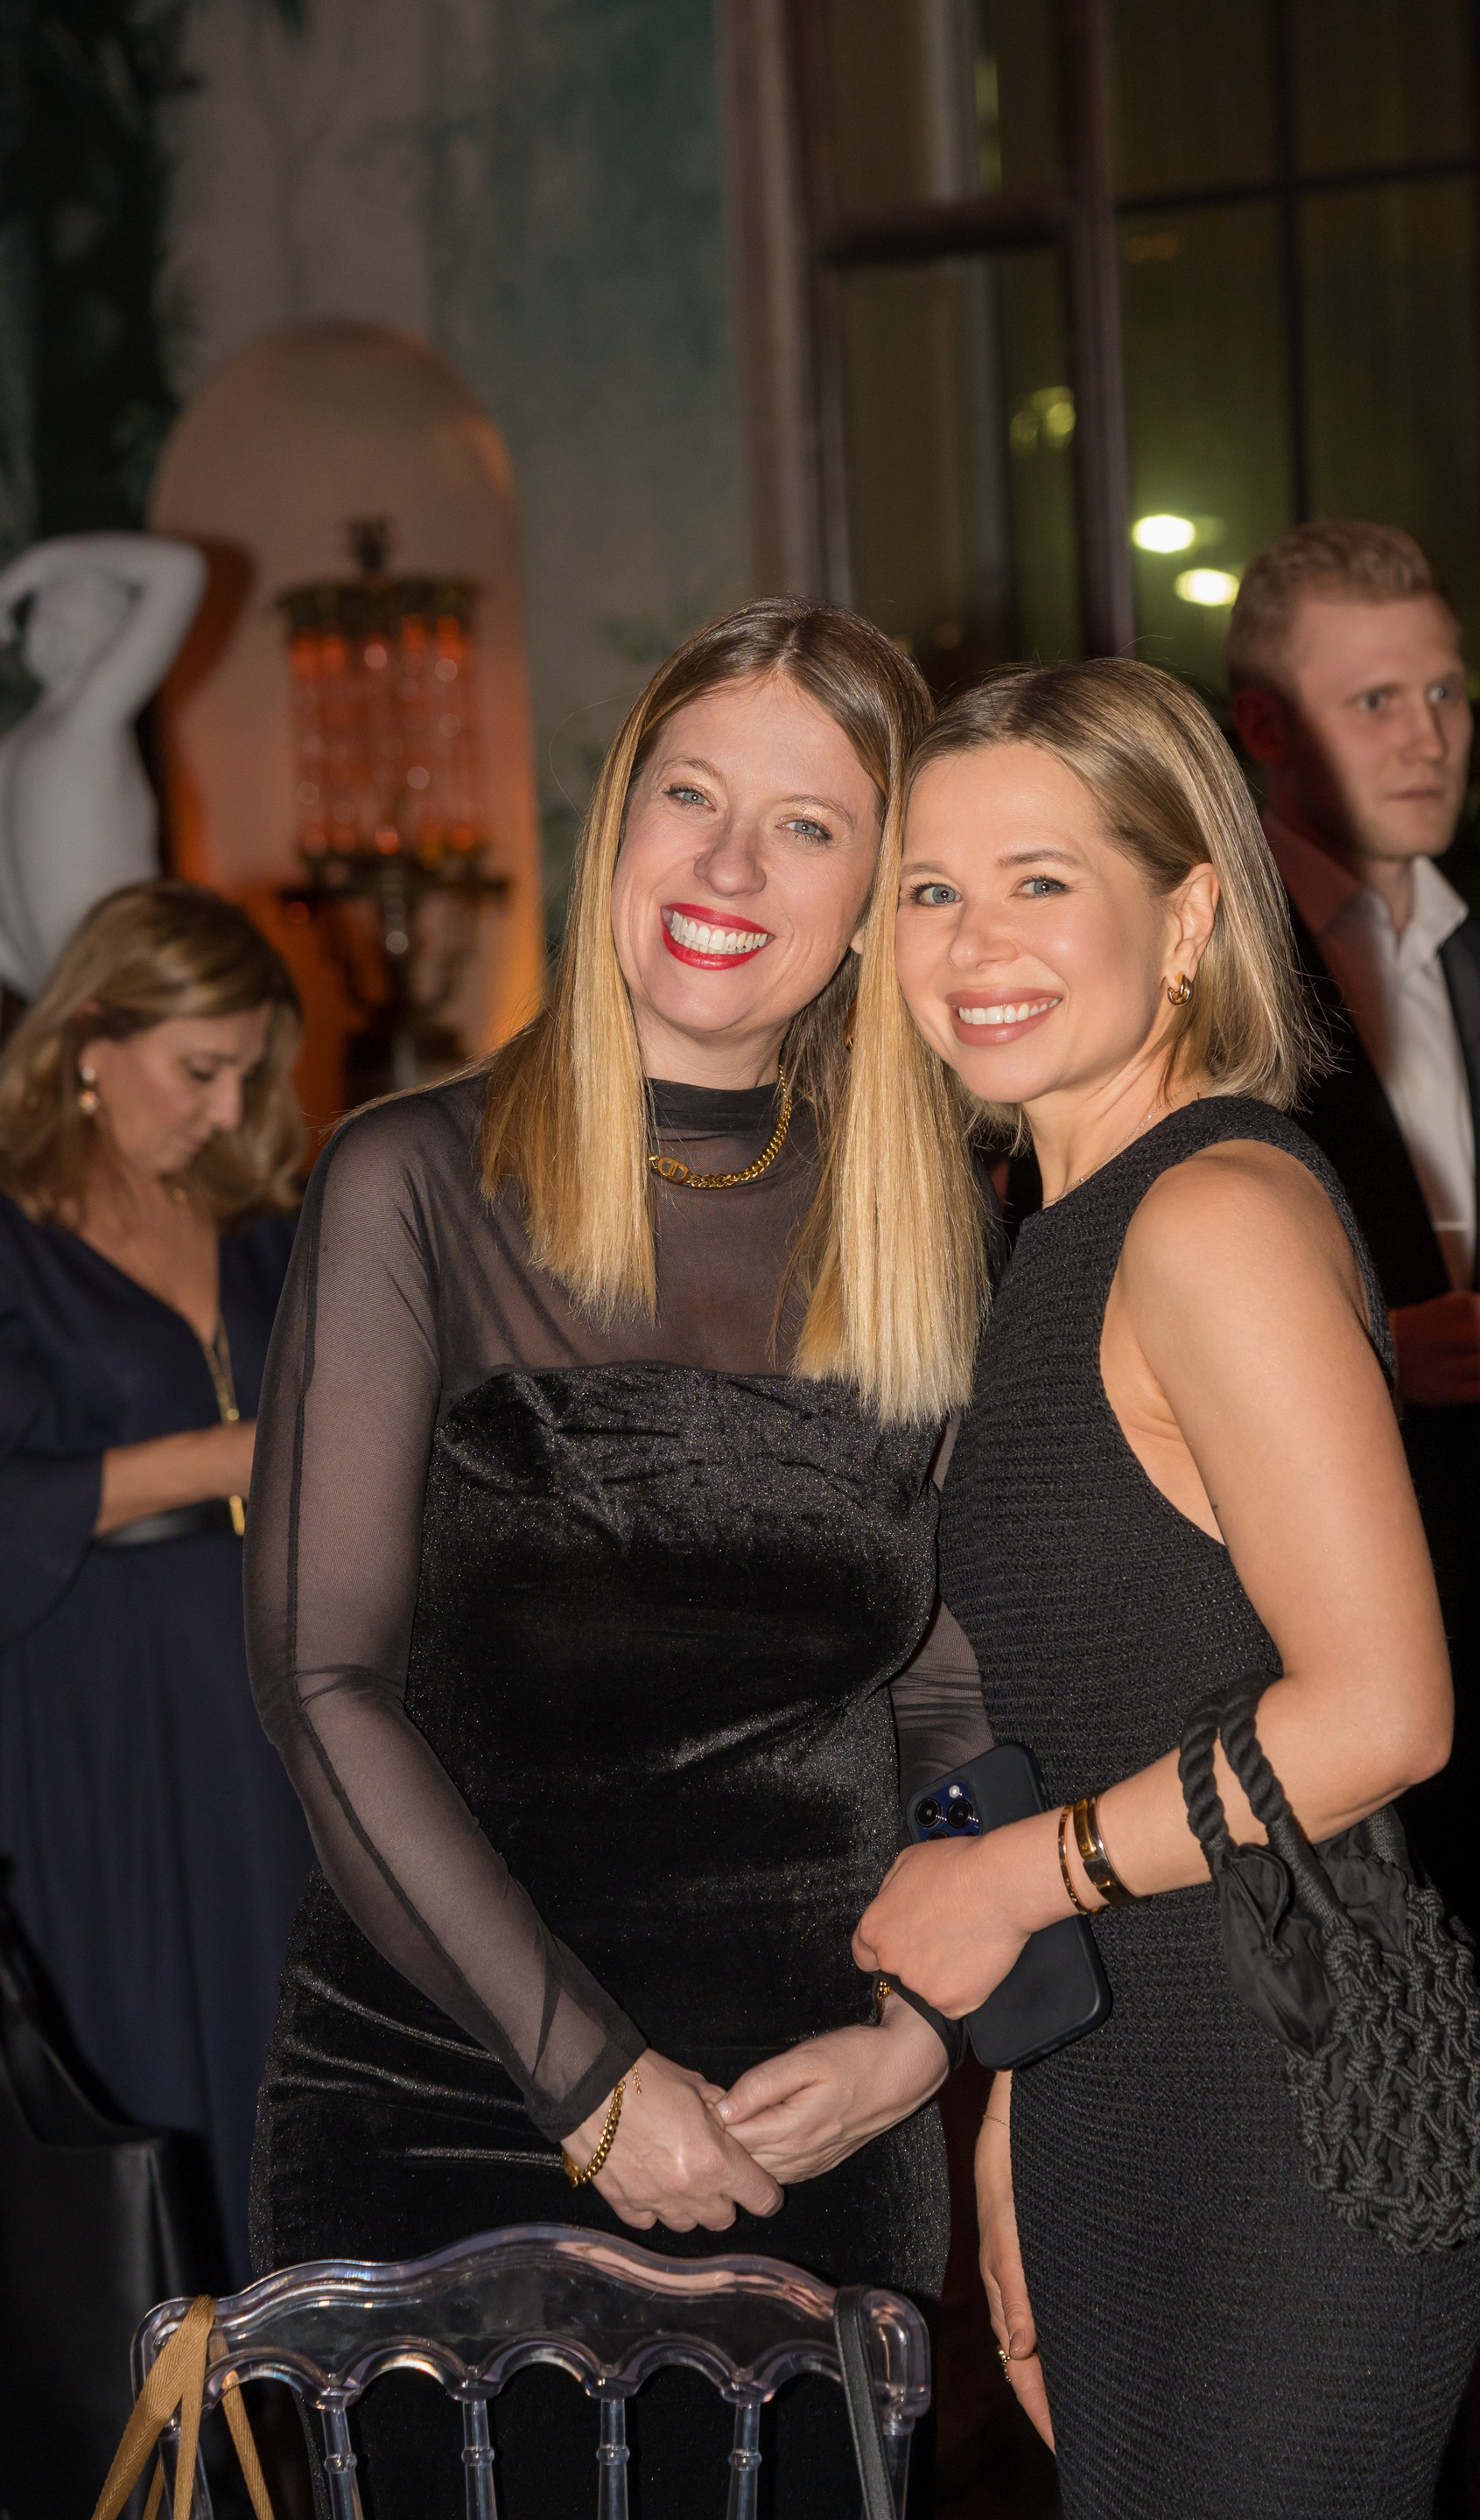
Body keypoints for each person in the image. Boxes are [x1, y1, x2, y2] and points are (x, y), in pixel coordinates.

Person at [244, 600, 985, 2519]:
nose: (730, 867)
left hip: (827, 2110)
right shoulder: (413, 1180)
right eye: (691, 795)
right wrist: (586, 2078)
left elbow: (953, 1691)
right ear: (618, 824)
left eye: (809, 827)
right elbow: (320, 1681)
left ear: (878, 898)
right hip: (449, 2096)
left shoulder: (937, 1228)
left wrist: (921, 2037)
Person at [852, 657, 1480, 2520]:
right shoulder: (1054, 1239)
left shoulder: (1210, 1217)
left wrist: (1011, 1883)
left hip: (1297, 2112)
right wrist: (1024, 2103)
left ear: (1193, 913)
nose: (975, 939)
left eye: (1043, 879)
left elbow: (1383, 1713)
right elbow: (1102, 1704)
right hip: (1125, 2081)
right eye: (931, 886)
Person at [1226, 521, 1480, 2013]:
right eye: (1374, 699)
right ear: (1265, 727)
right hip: (1278, 1685)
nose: (1429, 735)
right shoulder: (1211, 973)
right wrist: (1388, 1356)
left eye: (1445, 692)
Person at [0, 878, 312, 2282]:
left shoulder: (261, 1223)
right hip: (94, 1722)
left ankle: (296, 2381)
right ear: (89, 1041)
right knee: (136, 2070)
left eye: (248, 1073)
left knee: (287, 2067)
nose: (227, 1107)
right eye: (199, 1070)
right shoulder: (12, 1237)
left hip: (275, 1713)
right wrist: (209, 1458)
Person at [0, 533, 207, 1004]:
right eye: (49, 610)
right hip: (55, 996)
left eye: (78, 611)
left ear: (120, 634)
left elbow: (182, 568)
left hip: (124, 985)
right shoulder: (15, 744)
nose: (58, 623)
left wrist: (33, 568)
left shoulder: (93, 714)